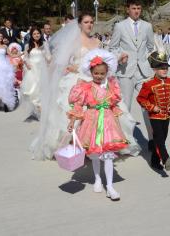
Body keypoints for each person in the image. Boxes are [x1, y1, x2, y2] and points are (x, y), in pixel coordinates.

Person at [30, 13, 139, 160]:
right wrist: (72, 67)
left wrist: (119, 58)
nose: (89, 24)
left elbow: (102, 61)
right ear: (80, 24)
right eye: (86, 22)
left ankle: (102, 142)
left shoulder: (97, 41)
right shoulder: (73, 41)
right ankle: (73, 145)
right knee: (76, 115)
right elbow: (61, 62)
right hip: (78, 80)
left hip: (97, 81)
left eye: (91, 22)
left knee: (103, 113)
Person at [67, 49, 128, 201]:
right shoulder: (85, 87)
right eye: (96, 73)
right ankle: (97, 179)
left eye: (102, 73)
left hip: (107, 123)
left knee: (108, 156)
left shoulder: (111, 87)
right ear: (91, 72)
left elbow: (114, 103)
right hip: (91, 121)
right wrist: (73, 121)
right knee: (94, 155)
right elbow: (78, 105)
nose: (99, 76)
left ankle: (110, 186)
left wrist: (114, 113)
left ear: (107, 73)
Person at [108, 0, 155, 142]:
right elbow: (112, 47)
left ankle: (152, 139)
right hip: (125, 71)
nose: (136, 11)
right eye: (133, 8)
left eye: (139, 8)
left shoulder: (147, 26)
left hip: (143, 72)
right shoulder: (119, 26)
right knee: (125, 107)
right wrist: (120, 56)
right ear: (127, 9)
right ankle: (124, 139)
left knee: (148, 105)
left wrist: (145, 60)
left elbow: (150, 46)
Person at [137, 51, 170, 171]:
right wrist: (151, 107)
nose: (164, 70)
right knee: (159, 138)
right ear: (155, 69)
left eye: (166, 68)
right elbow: (140, 98)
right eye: (161, 68)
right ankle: (165, 159)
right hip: (155, 116)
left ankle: (155, 161)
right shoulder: (149, 84)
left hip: (166, 116)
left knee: (161, 138)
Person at [21, 27, 51, 118]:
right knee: (33, 90)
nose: (36, 35)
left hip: (42, 70)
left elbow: (48, 56)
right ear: (31, 35)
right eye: (34, 34)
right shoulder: (28, 46)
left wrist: (50, 62)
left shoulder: (44, 44)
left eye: (38, 33)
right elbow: (25, 57)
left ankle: (41, 111)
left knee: (41, 90)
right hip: (32, 70)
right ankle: (39, 110)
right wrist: (27, 64)